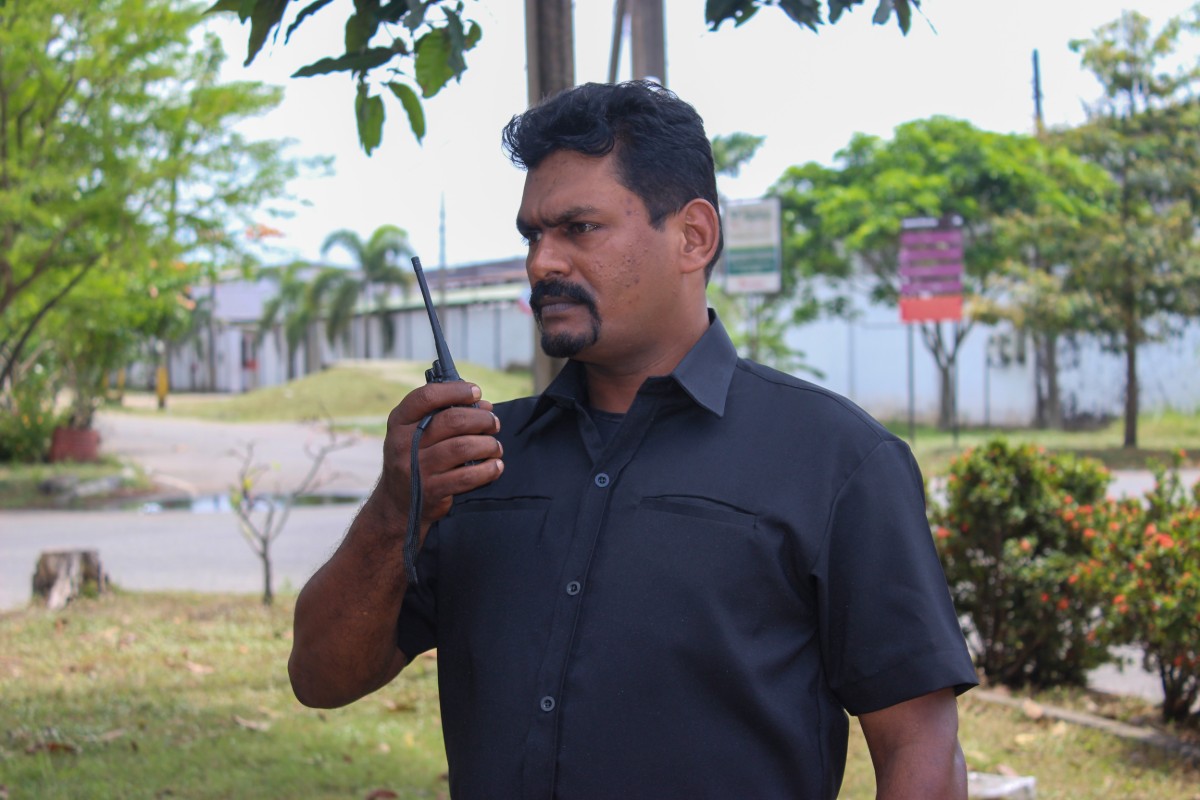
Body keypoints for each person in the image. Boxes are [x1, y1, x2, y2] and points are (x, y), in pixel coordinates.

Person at [288, 80, 978, 799]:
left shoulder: (837, 460)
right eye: (532, 235)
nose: (542, 263)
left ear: (693, 237)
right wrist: (395, 506)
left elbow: (921, 748)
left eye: (579, 228)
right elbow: (320, 678)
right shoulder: (478, 460)